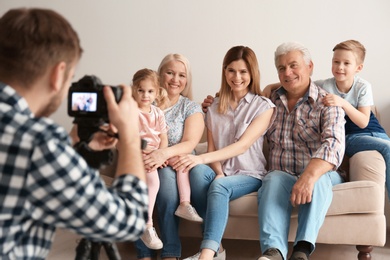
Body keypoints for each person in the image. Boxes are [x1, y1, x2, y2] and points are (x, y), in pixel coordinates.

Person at [0, 7, 148, 259]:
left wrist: (72, 145)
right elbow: (129, 221)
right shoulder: (38, 142)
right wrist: (131, 137)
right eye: (71, 77)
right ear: (58, 75)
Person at [172, 46, 275, 260]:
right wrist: (217, 171)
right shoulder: (214, 107)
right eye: (231, 71)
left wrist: (202, 160)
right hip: (221, 171)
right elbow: (212, 149)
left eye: (243, 72)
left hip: (250, 174)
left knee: (216, 182)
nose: (237, 77)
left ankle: (206, 255)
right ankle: (217, 249)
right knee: (197, 172)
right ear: (224, 71)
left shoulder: (263, 106)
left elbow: (242, 146)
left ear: (252, 73)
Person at [257, 42, 346, 260]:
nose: (287, 73)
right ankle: (274, 252)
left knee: (320, 179)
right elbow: (239, 99)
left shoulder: (328, 102)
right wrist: (215, 100)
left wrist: (308, 176)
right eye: (281, 68)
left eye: (293, 65)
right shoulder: (268, 101)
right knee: (272, 179)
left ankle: (302, 250)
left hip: (321, 173)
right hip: (283, 174)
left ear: (310, 67)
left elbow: (333, 144)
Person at [135, 54, 205, 260]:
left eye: (182, 75)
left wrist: (161, 154)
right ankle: (144, 251)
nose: (176, 79)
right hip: (143, 158)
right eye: (170, 73)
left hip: (174, 163)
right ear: (159, 75)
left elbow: (190, 143)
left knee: (166, 187)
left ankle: (170, 251)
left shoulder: (190, 107)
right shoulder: (143, 99)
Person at [131, 68, 169, 250]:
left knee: (153, 179)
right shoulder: (131, 111)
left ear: (157, 92)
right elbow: (126, 137)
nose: (145, 95)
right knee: (152, 180)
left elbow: (164, 138)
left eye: (150, 91)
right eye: (141, 90)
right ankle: (147, 225)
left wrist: (160, 155)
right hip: (136, 154)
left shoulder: (158, 113)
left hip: (154, 155)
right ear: (133, 90)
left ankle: (145, 224)